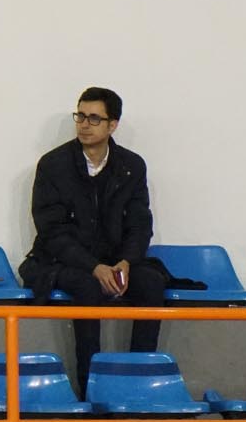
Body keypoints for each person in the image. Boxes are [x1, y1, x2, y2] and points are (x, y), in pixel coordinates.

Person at [17, 87, 170, 391]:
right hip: (64, 261)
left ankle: (140, 381)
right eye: (81, 116)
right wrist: (94, 267)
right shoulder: (53, 165)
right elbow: (52, 231)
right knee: (87, 286)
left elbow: (140, 224)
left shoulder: (131, 166)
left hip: (115, 258)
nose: (84, 124)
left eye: (94, 118)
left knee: (152, 282)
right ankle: (91, 386)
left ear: (113, 125)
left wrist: (126, 261)